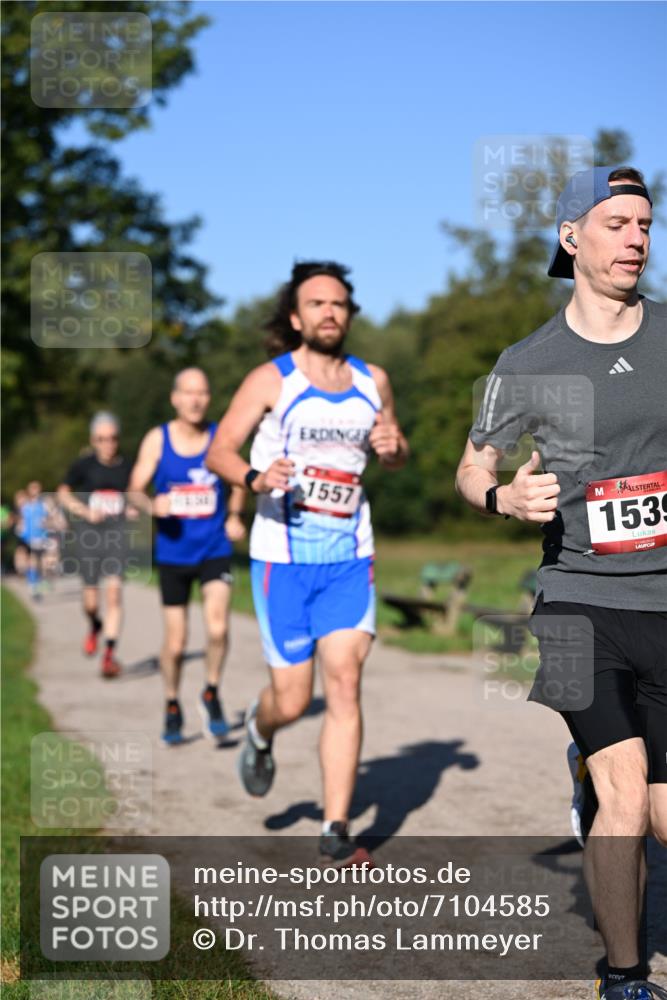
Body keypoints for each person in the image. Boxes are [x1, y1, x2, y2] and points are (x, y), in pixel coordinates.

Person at [455, 166, 666, 1000]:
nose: (637, 239)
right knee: (623, 794)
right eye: (617, 223)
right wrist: (503, 496)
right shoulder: (529, 361)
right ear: (570, 237)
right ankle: (622, 977)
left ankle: (588, 783)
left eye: (645, 224)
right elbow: (472, 469)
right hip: (578, 602)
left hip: (664, 600)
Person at [206, 260, 408, 866]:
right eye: (317, 304)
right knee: (292, 700)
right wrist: (254, 476)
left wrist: (395, 450)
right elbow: (220, 449)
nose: (329, 313)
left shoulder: (374, 380)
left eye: (339, 304)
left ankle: (335, 826)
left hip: (349, 556)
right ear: (296, 318)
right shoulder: (272, 380)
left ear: (349, 314)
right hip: (283, 560)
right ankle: (260, 728)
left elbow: (393, 450)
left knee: (344, 681)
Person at [129, 367, 246, 745]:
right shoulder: (157, 440)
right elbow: (134, 490)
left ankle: (211, 691)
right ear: (175, 398)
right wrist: (151, 504)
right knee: (176, 644)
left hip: (214, 547)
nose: (195, 400)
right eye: (188, 393)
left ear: (209, 398)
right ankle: (172, 703)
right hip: (173, 553)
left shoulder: (220, 437)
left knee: (218, 628)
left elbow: (239, 477)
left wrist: (234, 515)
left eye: (203, 393)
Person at [58, 412, 133, 678]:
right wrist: (84, 511)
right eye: (101, 439)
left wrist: (134, 507)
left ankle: (109, 655)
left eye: (112, 438)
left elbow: (137, 495)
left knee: (114, 596)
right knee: (91, 603)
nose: (108, 444)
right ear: (93, 440)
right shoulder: (84, 465)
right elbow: (63, 493)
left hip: (116, 538)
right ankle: (94, 626)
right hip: (90, 538)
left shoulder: (127, 467)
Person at [16, 481, 50, 600]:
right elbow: (21, 521)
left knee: (44, 563)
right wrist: (21, 530)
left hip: (43, 537)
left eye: (37, 488)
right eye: (33, 489)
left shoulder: (44, 505)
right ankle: (33, 585)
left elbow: (50, 518)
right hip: (29, 537)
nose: (36, 491)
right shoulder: (25, 506)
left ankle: (39, 582)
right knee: (33, 561)